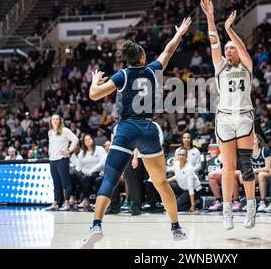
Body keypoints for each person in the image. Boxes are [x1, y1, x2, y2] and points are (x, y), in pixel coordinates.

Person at [81, 17, 191, 248]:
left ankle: (96, 225)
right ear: (142, 57)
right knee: (161, 183)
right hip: (149, 129)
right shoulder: (152, 70)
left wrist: (93, 81)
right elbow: (168, 50)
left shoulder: (122, 75)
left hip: (127, 128)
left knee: (110, 178)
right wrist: (179, 32)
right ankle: (176, 228)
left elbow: (94, 95)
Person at [201, 0, 256, 230]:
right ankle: (227, 212)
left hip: (244, 117)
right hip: (224, 118)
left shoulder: (246, 65)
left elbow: (242, 48)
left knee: (246, 165)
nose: (228, 50)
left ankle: (251, 209)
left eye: (231, 47)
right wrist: (211, 18)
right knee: (228, 167)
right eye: (227, 48)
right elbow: (214, 42)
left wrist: (229, 30)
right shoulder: (220, 66)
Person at [45, 114, 79, 212]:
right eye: (53, 119)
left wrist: (69, 150)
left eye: (57, 119)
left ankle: (67, 203)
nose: (55, 121)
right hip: (52, 160)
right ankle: (55, 203)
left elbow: (75, 140)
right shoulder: (50, 132)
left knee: (65, 182)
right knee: (56, 183)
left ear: (60, 121)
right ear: (51, 122)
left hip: (62, 159)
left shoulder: (65, 131)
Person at [168, 147, 204, 213]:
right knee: (168, 185)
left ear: (186, 156)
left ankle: (196, 201)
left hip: (194, 190)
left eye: (183, 155)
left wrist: (193, 206)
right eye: (180, 155)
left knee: (175, 208)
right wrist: (165, 181)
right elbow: (176, 176)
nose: (181, 156)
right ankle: (186, 201)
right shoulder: (176, 164)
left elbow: (191, 187)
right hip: (183, 188)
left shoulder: (189, 168)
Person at [74, 135, 107, 209]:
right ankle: (72, 199)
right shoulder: (82, 152)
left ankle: (86, 200)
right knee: (73, 176)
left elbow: (102, 163)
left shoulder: (99, 149)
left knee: (85, 178)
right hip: (85, 173)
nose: (88, 141)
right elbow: (79, 166)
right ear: (84, 143)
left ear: (93, 140)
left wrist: (92, 170)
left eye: (89, 139)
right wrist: (76, 171)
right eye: (86, 140)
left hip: (97, 172)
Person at [248, 134, 271, 212]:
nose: (252, 141)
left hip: (268, 174)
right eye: (250, 139)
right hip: (257, 175)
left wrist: (255, 171)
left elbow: (268, 167)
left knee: (261, 175)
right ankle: (250, 202)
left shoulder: (265, 150)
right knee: (245, 177)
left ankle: (263, 202)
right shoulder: (248, 152)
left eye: (254, 139)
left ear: (258, 141)